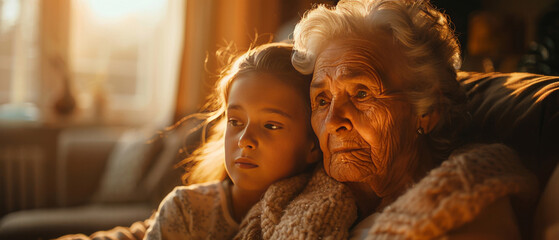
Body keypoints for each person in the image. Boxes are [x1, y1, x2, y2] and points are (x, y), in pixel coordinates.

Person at [235, 0, 539, 239]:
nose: (332, 121)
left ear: (427, 111)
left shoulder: (470, 201)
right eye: (322, 100)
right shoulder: (290, 195)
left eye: (362, 94)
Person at [143, 42, 356, 240]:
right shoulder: (185, 210)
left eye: (271, 126)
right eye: (235, 121)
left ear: (312, 145)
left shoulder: (326, 210)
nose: (245, 140)